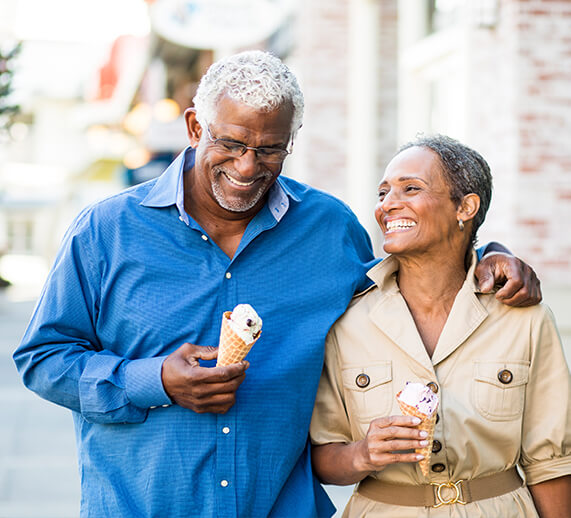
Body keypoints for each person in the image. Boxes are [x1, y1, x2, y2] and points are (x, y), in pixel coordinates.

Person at [14, 51, 541, 518]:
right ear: (195, 127)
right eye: (232, 143)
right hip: (140, 506)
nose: (248, 167)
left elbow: (408, 287)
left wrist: (486, 254)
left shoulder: (328, 229)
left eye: (270, 150)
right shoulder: (107, 231)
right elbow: (42, 358)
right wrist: (153, 380)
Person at [310, 134, 571, 517]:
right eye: (383, 193)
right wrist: (363, 454)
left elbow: (551, 462)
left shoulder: (525, 319)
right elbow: (321, 455)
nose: (388, 205)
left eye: (411, 188)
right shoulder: (347, 321)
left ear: (465, 207)